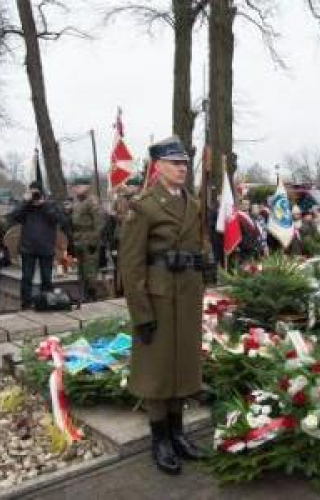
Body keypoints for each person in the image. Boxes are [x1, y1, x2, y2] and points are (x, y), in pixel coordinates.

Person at [119, 136, 208, 475]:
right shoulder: (144, 206)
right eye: (175, 163)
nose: (182, 168)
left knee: (182, 366)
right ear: (158, 167)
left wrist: (205, 264)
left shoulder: (194, 202)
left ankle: (178, 433)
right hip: (156, 298)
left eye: (185, 163)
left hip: (186, 296)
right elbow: (130, 264)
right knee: (157, 370)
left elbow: (199, 242)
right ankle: (160, 438)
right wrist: (140, 312)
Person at [9, 182, 68, 309]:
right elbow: (13, 217)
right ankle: (25, 304)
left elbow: (61, 220)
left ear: (42, 193)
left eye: (37, 192)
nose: (35, 195)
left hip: (46, 247)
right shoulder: (26, 207)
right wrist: (25, 202)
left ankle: (46, 302)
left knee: (47, 278)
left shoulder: (50, 205)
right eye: (32, 192)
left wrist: (44, 205)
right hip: (28, 247)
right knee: (26, 278)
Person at [70, 177, 104, 302]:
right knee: (81, 271)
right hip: (79, 240)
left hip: (89, 241)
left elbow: (100, 222)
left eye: (78, 186)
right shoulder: (78, 202)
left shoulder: (92, 201)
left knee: (90, 271)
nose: (75, 189)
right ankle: (83, 296)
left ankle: (92, 297)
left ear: (87, 187)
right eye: (74, 187)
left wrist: (94, 240)